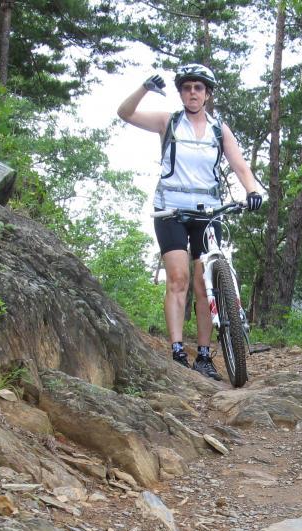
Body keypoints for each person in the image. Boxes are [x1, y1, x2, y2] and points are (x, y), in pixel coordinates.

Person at [117, 63, 264, 380]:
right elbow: (124, 113)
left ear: (207, 94)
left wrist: (252, 189)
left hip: (208, 212)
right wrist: (144, 88)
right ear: (181, 92)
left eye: (199, 88)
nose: (192, 92)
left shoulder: (218, 129)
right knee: (179, 279)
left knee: (203, 285)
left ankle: (206, 355)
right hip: (170, 210)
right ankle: (177, 351)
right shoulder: (167, 122)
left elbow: (239, 165)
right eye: (187, 87)